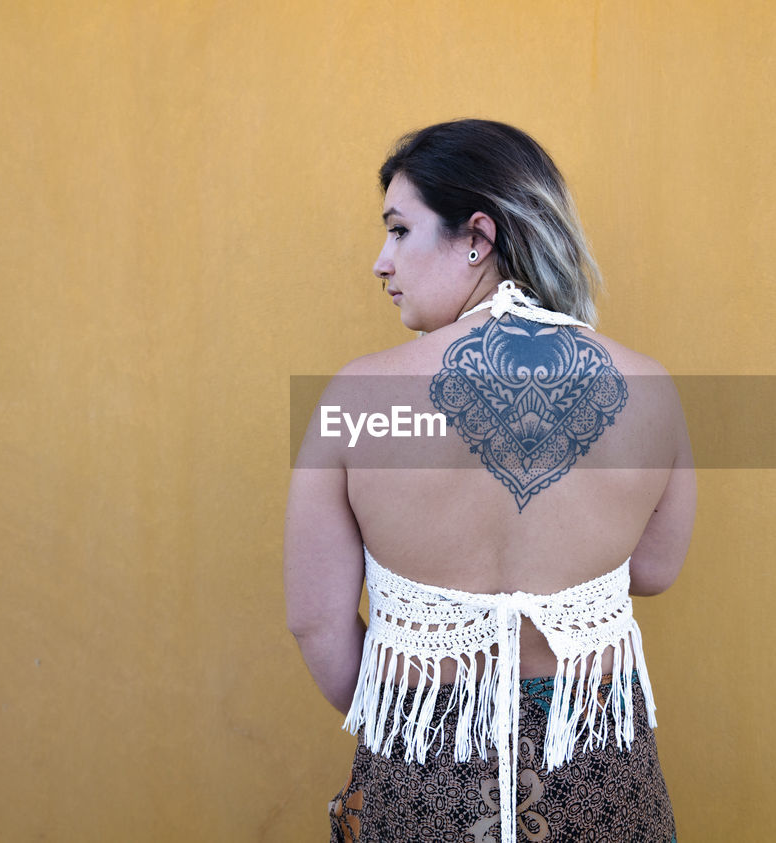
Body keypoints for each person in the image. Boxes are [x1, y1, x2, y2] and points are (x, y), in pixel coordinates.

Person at [285, 119, 696, 842]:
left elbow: (315, 619)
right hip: (597, 767)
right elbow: (655, 569)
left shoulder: (358, 399)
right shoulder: (648, 388)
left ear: (477, 236)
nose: (382, 262)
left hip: (421, 771)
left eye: (399, 231)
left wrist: (410, 728)